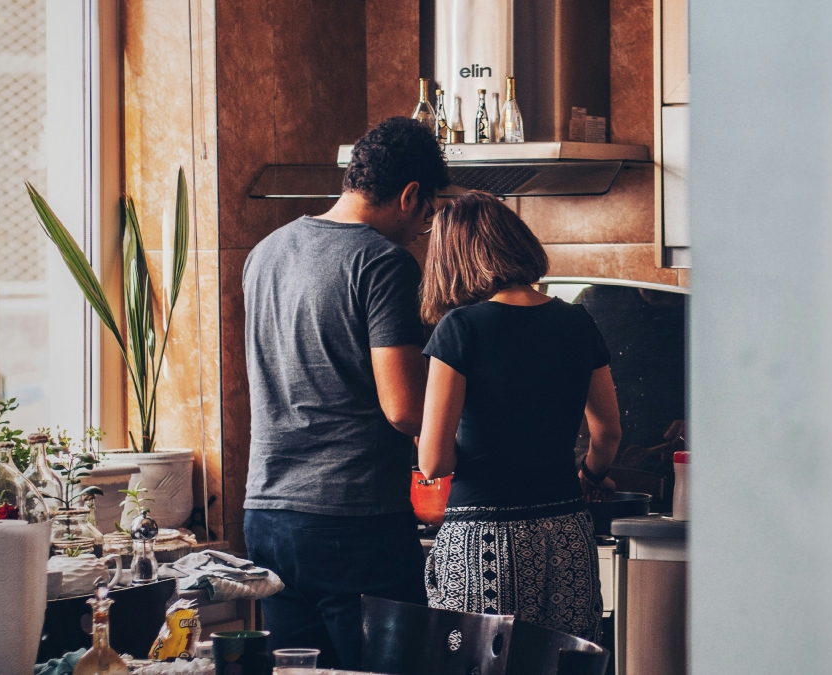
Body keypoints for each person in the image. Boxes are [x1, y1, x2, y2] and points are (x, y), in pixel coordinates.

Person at [241, 117, 449, 668]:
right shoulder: (383, 262)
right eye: (426, 215)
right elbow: (405, 409)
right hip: (352, 521)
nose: (420, 230)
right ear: (410, 196)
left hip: (267, 514)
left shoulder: (265, 252)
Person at [417, 191, 621, 641]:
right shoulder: (577, 321)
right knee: (564, 663)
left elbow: (433, 463)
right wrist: (590, 476)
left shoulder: (460, 328)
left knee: (479, 663)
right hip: (566, 530)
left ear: (452, 259)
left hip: (484, 539)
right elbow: (607, 432)